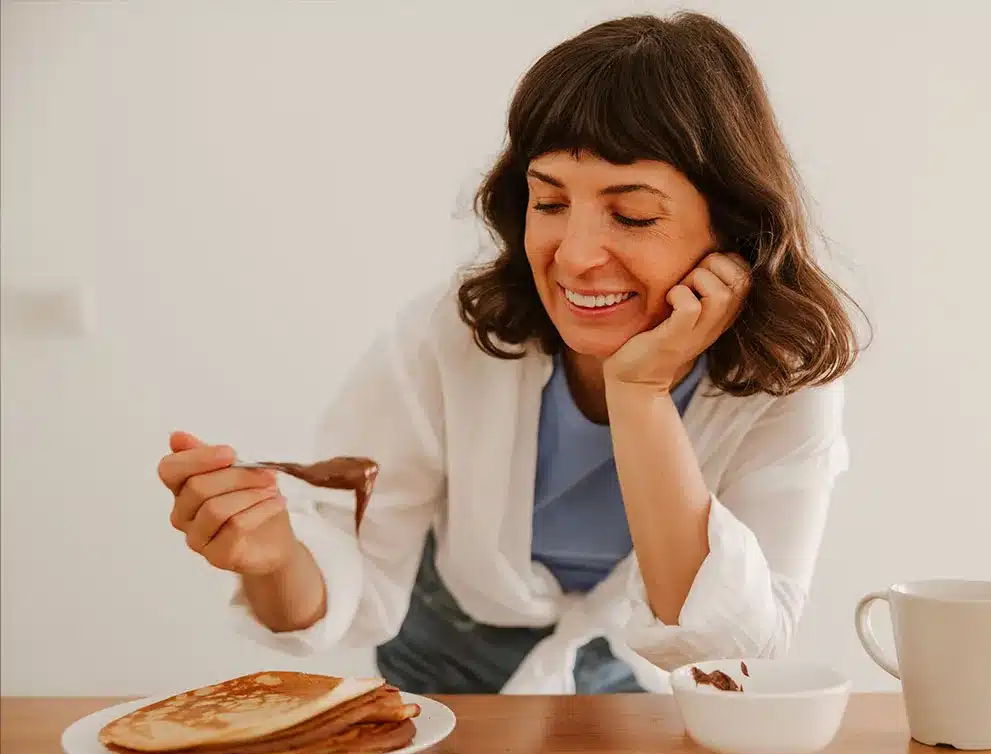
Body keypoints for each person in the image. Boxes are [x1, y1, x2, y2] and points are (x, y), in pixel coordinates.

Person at [156, 11, 863, 695]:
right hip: (443, 671)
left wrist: (640, 391)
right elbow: (347, 574)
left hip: (630, 683)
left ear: (733, 227)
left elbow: (732, 649)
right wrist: (274, 558)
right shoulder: (453, 335)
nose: (576, 257)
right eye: (550, 203)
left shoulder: (788, 385)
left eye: (633, 214)